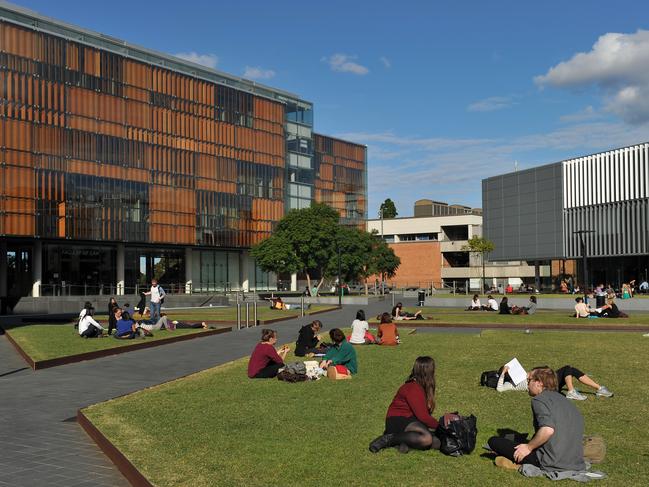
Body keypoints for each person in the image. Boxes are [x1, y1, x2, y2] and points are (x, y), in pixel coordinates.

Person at [487, 367, 587, 472]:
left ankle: (516, 463)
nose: (527, 384)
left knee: (494, 441)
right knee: (521, 441)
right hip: (575, 461)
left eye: (529, 380)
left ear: (539, 383)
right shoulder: (566, 401)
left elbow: (547, 430)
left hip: (550, 460)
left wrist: (528, 448)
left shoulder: (539, 399)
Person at [369, 356, 440, 453]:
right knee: (426, 439)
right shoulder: (412, 388)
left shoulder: (421, 386)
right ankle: (388, 439)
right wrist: (441, 427)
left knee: (437, 442)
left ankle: (403, 443)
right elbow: (423, 417)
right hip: (398, 419)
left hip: (411, 419)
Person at [496, 363, 613, 400]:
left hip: (547, 380)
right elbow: (499, 389)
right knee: (568, 369)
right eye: (508, 371)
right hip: (545, 386)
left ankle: (599, 388)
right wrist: (503, 373)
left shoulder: (522, 373)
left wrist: (531, 373)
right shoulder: (509, 384)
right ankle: (571, 391)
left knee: (570, 369)